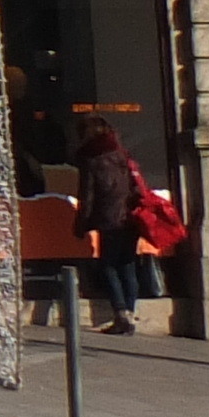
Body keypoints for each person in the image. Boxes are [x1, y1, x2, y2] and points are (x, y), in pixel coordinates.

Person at [73, 124, 146, 331]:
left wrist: (81, 225)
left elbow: (87, 197)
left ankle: (121, 312)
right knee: (128, 265)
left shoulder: (93, 161)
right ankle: (130, 314)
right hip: (131, 219)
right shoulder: (124, 157)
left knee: (108, 266)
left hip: (109, 220)